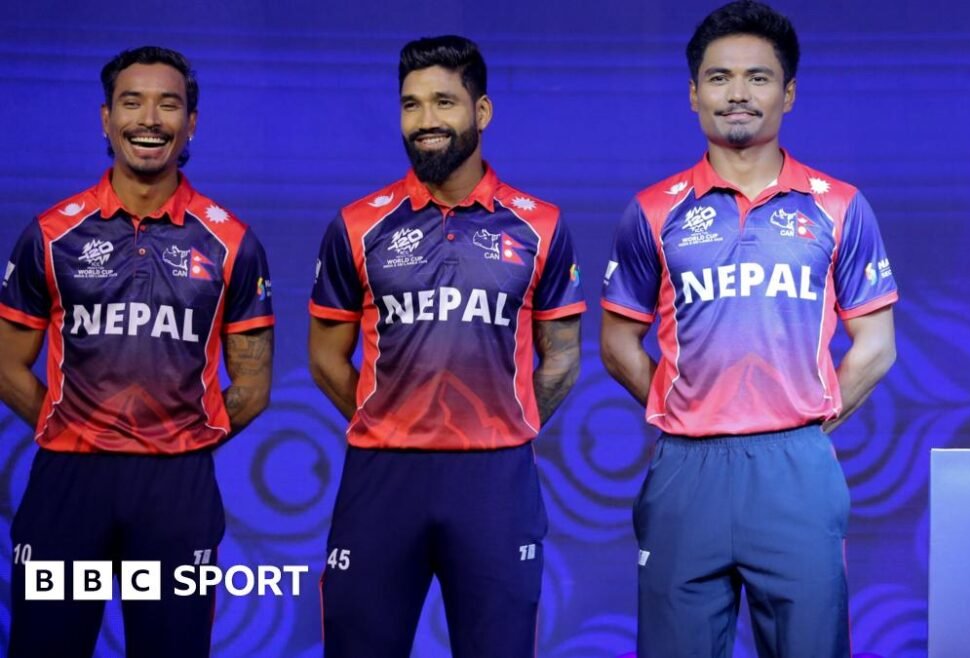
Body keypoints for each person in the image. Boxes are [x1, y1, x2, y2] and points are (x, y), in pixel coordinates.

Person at [599, 2, 898, 656]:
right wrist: (681, 406)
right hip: (686, 469)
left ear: (788, 92)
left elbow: (876, 343)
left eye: (758, 78)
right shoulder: (653, 209)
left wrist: (811, 419)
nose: (737, 94)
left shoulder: (838, 204)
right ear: (693, 94)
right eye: (719, 78)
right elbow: (618, 341)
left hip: (795, 467)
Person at [309, 35, 585, 658]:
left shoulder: (539, 224)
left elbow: (562, 356)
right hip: (382, 477)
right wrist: (387, 418)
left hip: (495, 479)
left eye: (443, 102)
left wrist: (507, 423)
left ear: (481, 112)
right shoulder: (358, 223)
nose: (426, 121)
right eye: (411, 105)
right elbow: (326, 355)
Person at [0, 46, 275, 657]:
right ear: (105, 119)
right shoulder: (51, 233)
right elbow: (5, 361)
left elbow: (253, 386)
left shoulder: (231, 242)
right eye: (132, 102)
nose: (149, 118)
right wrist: (68, 426)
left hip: (177, 490)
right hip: (68, 483)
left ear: (191, 123)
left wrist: (176, 440)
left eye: (168, 103)